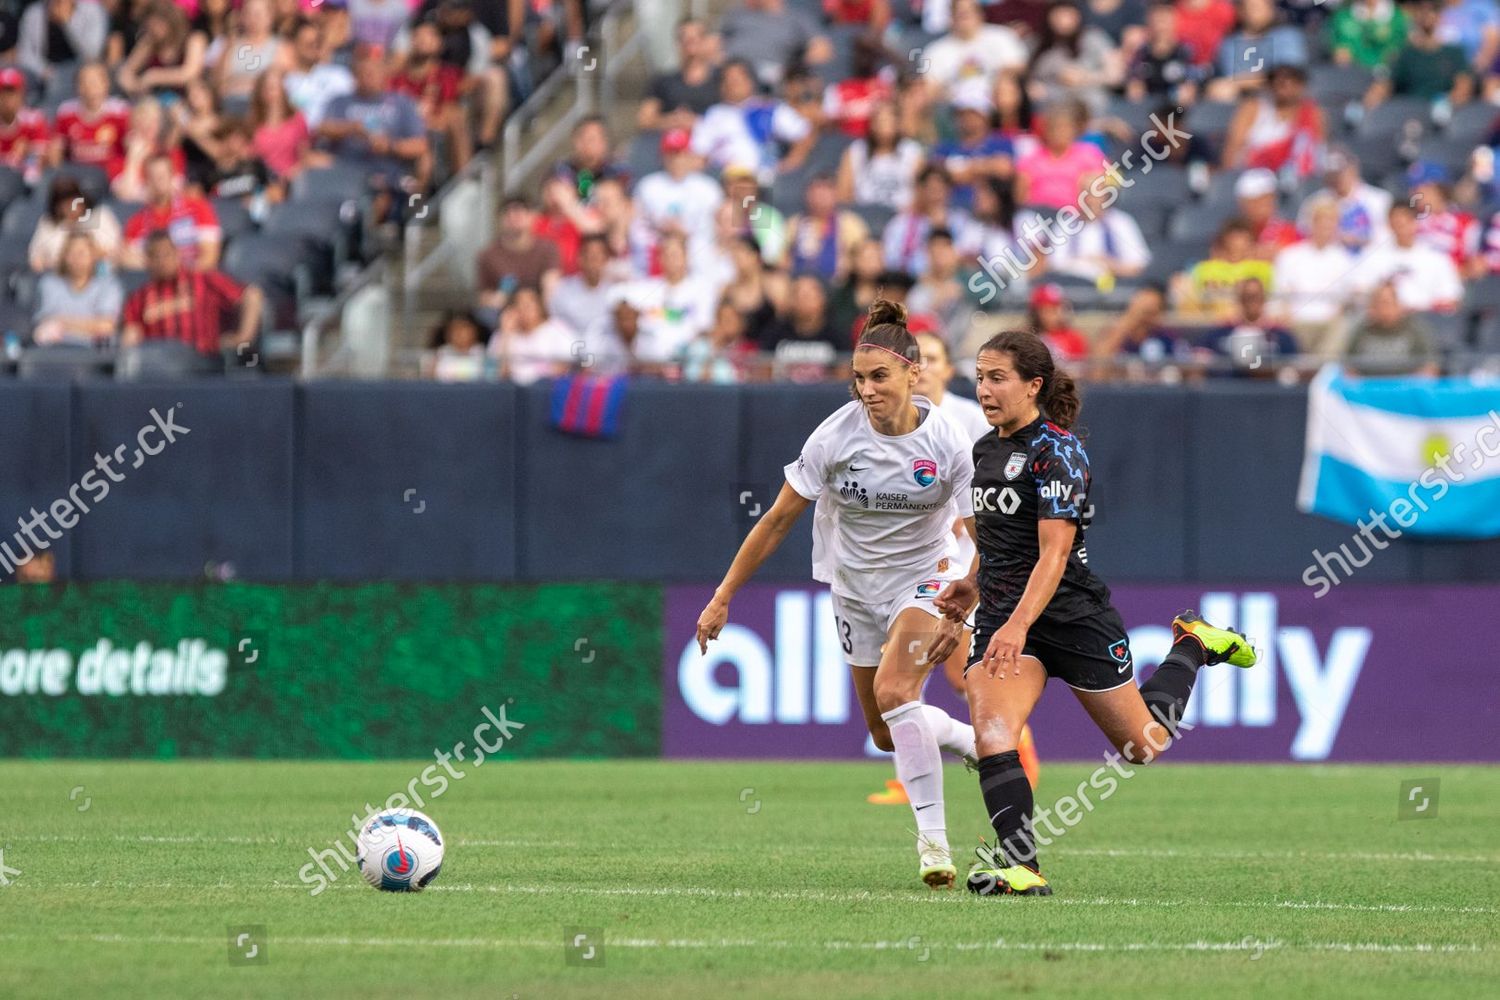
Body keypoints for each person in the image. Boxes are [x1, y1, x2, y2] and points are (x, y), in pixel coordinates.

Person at [933, 329, 1258, 896]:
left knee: (1143, 746)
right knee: (991, 730)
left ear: (1033, 385)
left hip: (1071, 616)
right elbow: (1001, 543)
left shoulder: (1059, 450)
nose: (984, 389)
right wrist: (969, 584)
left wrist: (1015, 623)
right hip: (1008, 619)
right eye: (980, 377)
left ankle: (1194, 645)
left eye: (997, 377)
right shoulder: (983, 451)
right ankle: (1022, 867)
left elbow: (1055, 554)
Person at [696, 300, 982, 889]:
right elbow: (776, 520)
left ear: (913, 371)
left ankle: (933, 845)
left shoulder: (951, 443)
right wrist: (722, 595)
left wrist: (968, 598)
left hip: (925, 578)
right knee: (885, 730)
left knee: (896, 689)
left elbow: (984, 538)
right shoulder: (833, 437)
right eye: (858, 378)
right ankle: (963, 739)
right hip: (853, 589)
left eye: (879, 376)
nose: (867, 389)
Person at [121, 230, 263, 358]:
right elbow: (131, 338)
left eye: (166, 254)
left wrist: (243, 337)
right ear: (146, 260)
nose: (161, 261)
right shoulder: (139, 298)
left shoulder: (204, 280)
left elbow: (252, 295)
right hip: (161, 370)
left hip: (208, 362)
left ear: (177, 253)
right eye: (154, 256)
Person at [1270, 194, 1357, 358]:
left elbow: (1348, 299)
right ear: (1311, 222)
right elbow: (1279, 296)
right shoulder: (1289, 255)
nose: (1326, 226)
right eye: (1321, 220)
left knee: (1344, 326)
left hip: (1329, 325)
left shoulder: (1345, 259)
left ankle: (1317, 370)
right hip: (1294, 323)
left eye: (1331, 221)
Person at [1353, 202, 1464, 313]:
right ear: (1389, 224)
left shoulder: (1437, 258)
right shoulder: (1372, 255)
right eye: (1396, 223)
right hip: (1382, 319)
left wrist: (1416, 307)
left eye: (1405, 222)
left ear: (1415, 223)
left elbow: (1451, 297)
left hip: (1424, 320)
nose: (1402, 228)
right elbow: (1358, 289)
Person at [1220, 64, 1324, 180]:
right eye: (1280, 83)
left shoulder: (1311, 113)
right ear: (1271, 85)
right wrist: (1228, 178)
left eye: (1291, 82)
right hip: (1255, 174)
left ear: (1300, 86)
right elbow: (1233, 147)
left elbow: (1318, 150)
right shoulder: (1253, 108)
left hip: (1296, 177)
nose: (1285, 88)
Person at [121, 153, 221, 271]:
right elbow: (125, 258)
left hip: (194, 279)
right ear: (146, 181)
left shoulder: (198, 208)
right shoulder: (136, 222)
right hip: (154, 283)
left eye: (163, 175)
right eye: (153, 176)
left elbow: (210, 257)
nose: (159, 181)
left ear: (172, 177)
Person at [1193, 277, 1299, 375]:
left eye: (1256, 297)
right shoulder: (1222, 331)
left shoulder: (1279, 334)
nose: (1251, 302)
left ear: (1263, 299)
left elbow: (1295, 365)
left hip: (1268, 389)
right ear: (1239, 299)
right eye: (1247, 297)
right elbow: (1199, 356)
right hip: (1229, 388)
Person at [32, 232, 123, 345]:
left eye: (81, 253)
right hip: (56, 351)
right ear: (64, 256)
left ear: (93, 256)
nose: (76, 258)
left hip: (95, 354)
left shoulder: (109, 285)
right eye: (71, 253)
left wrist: (63, 323)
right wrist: (89, 327)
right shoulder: (49, 284)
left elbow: (106, 327)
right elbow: (45, 323)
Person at [835, 101, 925, 211]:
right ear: (872, 124)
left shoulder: (913, 153)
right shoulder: (856, 151)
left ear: (898, 123)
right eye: (880, 120)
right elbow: (843, 194)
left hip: (902, 218)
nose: (884, 125)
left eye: (889, 120)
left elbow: (921, 194)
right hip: (864, 216)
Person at [637, 17, 721, 132]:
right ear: (677, 43)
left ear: (706, 41)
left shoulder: (722, 79)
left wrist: (698, 122)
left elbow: (738, 116)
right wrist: (673, 121)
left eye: (696, 39)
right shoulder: (663, 81)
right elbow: (644, 120)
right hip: (672, 143)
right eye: (685, 40)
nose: (691, 46)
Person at [1343, 281, 1441, 376]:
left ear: (1399, 305)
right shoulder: (1361, 329)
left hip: (1407, 388)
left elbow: (1431, 365)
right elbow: (1348, 365)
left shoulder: (1415, 328)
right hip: (1368, 388)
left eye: (1388, 303)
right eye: (1378, 304)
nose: (1384, 309)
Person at [29, 177, 123, 272]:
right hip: (58, 275)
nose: (72, 208)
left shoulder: (101, 216)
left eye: (75, 202)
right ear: (57, 207)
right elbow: (35, 255)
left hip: (97, 274)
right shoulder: (48, 223)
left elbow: (114, 249)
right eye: (65, 204)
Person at [488, 285, 576, 385]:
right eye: (519, 304)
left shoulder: (557, 329)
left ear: (540, 305)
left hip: (547, 390)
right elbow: (498, 375)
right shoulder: (503, 335)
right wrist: (506, 335)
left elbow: (564, 367)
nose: (524, 309)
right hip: (511, 393)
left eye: (529, 304)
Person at [17, 0, 108, 85]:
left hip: (79, 70)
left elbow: (92, 53)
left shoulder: (92, 11)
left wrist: (67, 22)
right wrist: (42, 70)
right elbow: (25, 53)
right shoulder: (33, 13)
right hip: (44, 72)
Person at [424, 309, 488, 381]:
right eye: (454, 329)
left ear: (474, 331)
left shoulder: (484, 354)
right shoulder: (439, 355)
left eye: (463, 328)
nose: (458, 333)